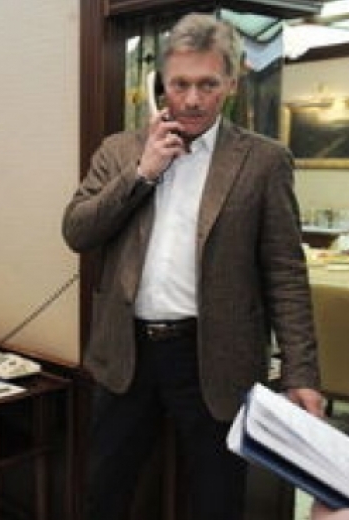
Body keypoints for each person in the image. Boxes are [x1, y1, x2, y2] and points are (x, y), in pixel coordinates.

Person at [62, 13, 323, 520]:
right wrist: (143, 172)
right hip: (127, 353)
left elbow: (286, 273)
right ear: (162, 82)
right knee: (105, 491)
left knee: (216, 498)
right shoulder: (119, 150)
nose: (193, 99)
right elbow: (77, 231)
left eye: (208, 84)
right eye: (180, 84)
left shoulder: (263, 161)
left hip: (215, 357)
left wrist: (301, 372)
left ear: (231, 82)